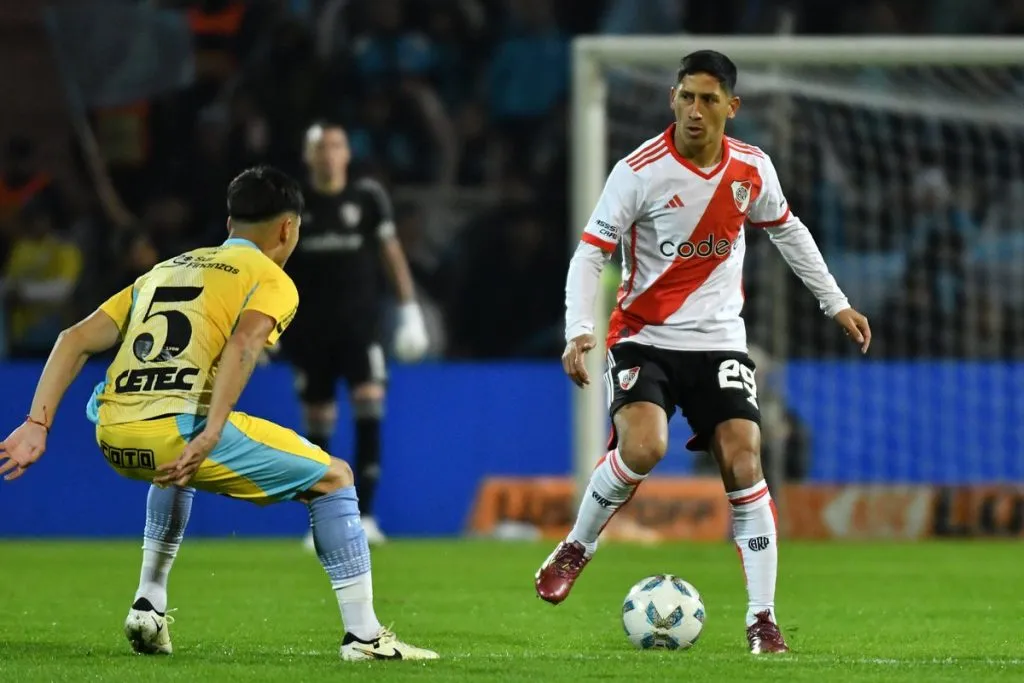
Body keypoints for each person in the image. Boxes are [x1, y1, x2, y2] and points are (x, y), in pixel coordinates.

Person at [0, 166, 437, 662]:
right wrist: (210, 430)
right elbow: (244, 343)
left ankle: (149, 603)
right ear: (288, 229)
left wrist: (37, 424)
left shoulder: (166, 269)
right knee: (335, 478)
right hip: (176, 430)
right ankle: (364, 637)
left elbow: (73, 338)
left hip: (112, 431)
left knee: (175, 470)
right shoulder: (270, 278)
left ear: (230, 224)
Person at [533, 51, 872, 654]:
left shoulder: (751, 168)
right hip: (645, 337)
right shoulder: (638, 171)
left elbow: (787, 229)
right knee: (645, 446)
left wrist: (835, 302)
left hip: (720, 343)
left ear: (731, 107)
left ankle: (762, 619)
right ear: (673, 98)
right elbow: (591, 253)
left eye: (708, 100)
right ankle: (577, 546)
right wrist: (578, 328)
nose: (694, 110)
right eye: (686, 97)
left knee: (744, 460)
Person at [284, 122, 428, 547]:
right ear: (308, 156)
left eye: (336, 146)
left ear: (346, 153)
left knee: (368, 407)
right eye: (320, 147)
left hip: (361, 328)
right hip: (309, 331)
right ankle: (321, 521)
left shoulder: (366, 199)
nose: (328, 155)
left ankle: (365, 515)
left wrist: (410, 310)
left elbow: (391, 254)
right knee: (318, 424)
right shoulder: (295, 204)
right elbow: (275, 264)